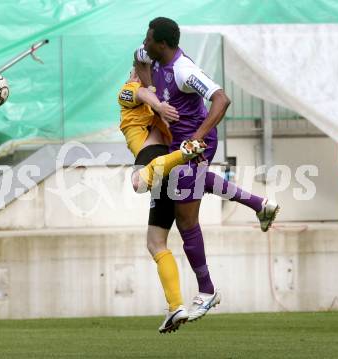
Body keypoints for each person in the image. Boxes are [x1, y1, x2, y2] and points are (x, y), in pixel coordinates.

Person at [136, 17, 280, 322]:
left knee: (186, 220)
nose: (144, 43)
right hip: (179, 145)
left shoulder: (184, 70)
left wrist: (197, 138)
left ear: (161, 43)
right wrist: (144, 77)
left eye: (148, 39)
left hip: (194, 145)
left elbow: (221, 98)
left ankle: (207, 290)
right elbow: (140, 63)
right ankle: (261, 205)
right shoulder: (154, 56)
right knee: (197, 188)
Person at [118, 67, 205, 333]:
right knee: (155, 243)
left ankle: (184, 153)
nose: (132, 73)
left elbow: (144, 92)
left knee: (137, 182)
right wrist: (162, 107)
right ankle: (176, 306)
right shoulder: (139, 94)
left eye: (136, 68)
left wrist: (159, 105)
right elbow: (146, 95)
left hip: (154, 156)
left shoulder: (131, 88)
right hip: (165, 168)